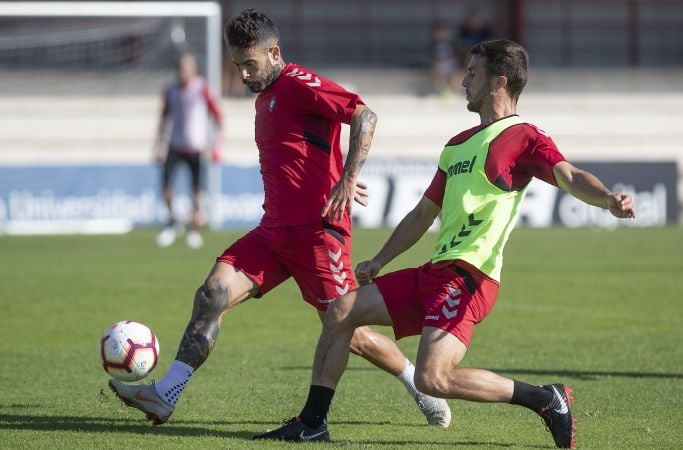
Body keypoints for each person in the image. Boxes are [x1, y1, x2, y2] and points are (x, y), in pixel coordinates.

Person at [253, 39, 636, 448]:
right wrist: (380, 259)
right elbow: (423, 213)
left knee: (432, 379)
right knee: (341, 309)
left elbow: (569, 175)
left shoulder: (523, 136)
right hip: (436, 271)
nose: (463, 81)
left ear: (498, 82)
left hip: (471, 278)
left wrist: (607, 198)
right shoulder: (456, 146)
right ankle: (313, 423)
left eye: (473, 73)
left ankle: (546, 399)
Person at [109, 9, 451, 429]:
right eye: (238, 66)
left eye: (249, 65)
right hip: (272, 234)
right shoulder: (264, 97)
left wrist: (348, 177)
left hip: (317, 236)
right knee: (212, 294)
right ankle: (166, 395)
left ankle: (416, 383)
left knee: (352, 331)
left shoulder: (299, 83)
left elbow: (365, 115)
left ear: (274, 53)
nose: (244, 75)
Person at [154, 53, 223, 249]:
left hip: (196, 148)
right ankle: (172, 223)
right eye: (180, 68)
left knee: (197, 193)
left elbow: (218, 116)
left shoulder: (202, 88)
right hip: (174, 146)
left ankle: (194, 230)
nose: (182, 72)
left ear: (193, 70)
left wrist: (216, 145)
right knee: (166, 187)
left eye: (186, 68)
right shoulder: (171, 90)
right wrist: (158, 144)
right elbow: (164, 117)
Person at [428, 19, 459, 96]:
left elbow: (455, 55)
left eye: (442, 32)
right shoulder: (433, 45)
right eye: (438, 32)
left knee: (455, 74)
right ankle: (438, 91)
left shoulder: (451, 44)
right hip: (438, 65)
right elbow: (432, 57)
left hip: (450, 64)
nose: (440, 34)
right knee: (435, 73)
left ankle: (452, 91)